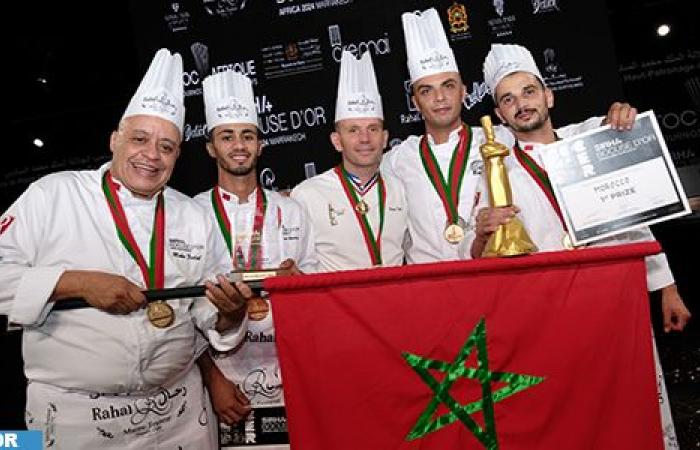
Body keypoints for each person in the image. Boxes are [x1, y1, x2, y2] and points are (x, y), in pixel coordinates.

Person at [0, 49, 254, 449]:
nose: (151, 155)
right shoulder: (53, 195)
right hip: (76, 419)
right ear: (115, 139)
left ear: (177, 156)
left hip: (180, 415)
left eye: (166, 146)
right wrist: (76, 283)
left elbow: (207, 315)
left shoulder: (192, 216)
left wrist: (230, 313)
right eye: (139, 139)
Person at [472, 42, 691, 449]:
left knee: (636, 405)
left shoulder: (591, 137)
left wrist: (668, 287)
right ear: (500, 115)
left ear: (549, 95)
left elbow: (634, 218)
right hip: (547, 316)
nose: (521, 104)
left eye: (529, 92)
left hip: (613, 302)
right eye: (508, 99)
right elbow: (477, 255)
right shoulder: (493, 171)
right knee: (570, 417)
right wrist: (482, 233)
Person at [194, 69, 317, 449]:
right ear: (211, 148)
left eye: (248, 135)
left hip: (291, 375)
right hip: (226, 381)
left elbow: (314, 295)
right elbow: (182, 316)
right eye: (226, 136)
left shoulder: (291, 210)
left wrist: (299, 284)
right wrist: (212, 379)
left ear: (261, 145)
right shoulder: (192, 214)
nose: (239, 145)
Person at [291, 50, 409, 271]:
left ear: (384, 139)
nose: (365, 138)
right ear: (337, 141)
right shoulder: (307, 194)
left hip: (394, 302)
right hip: (336, 304)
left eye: (372, 129)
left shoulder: (400, 189)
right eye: (353, 130)